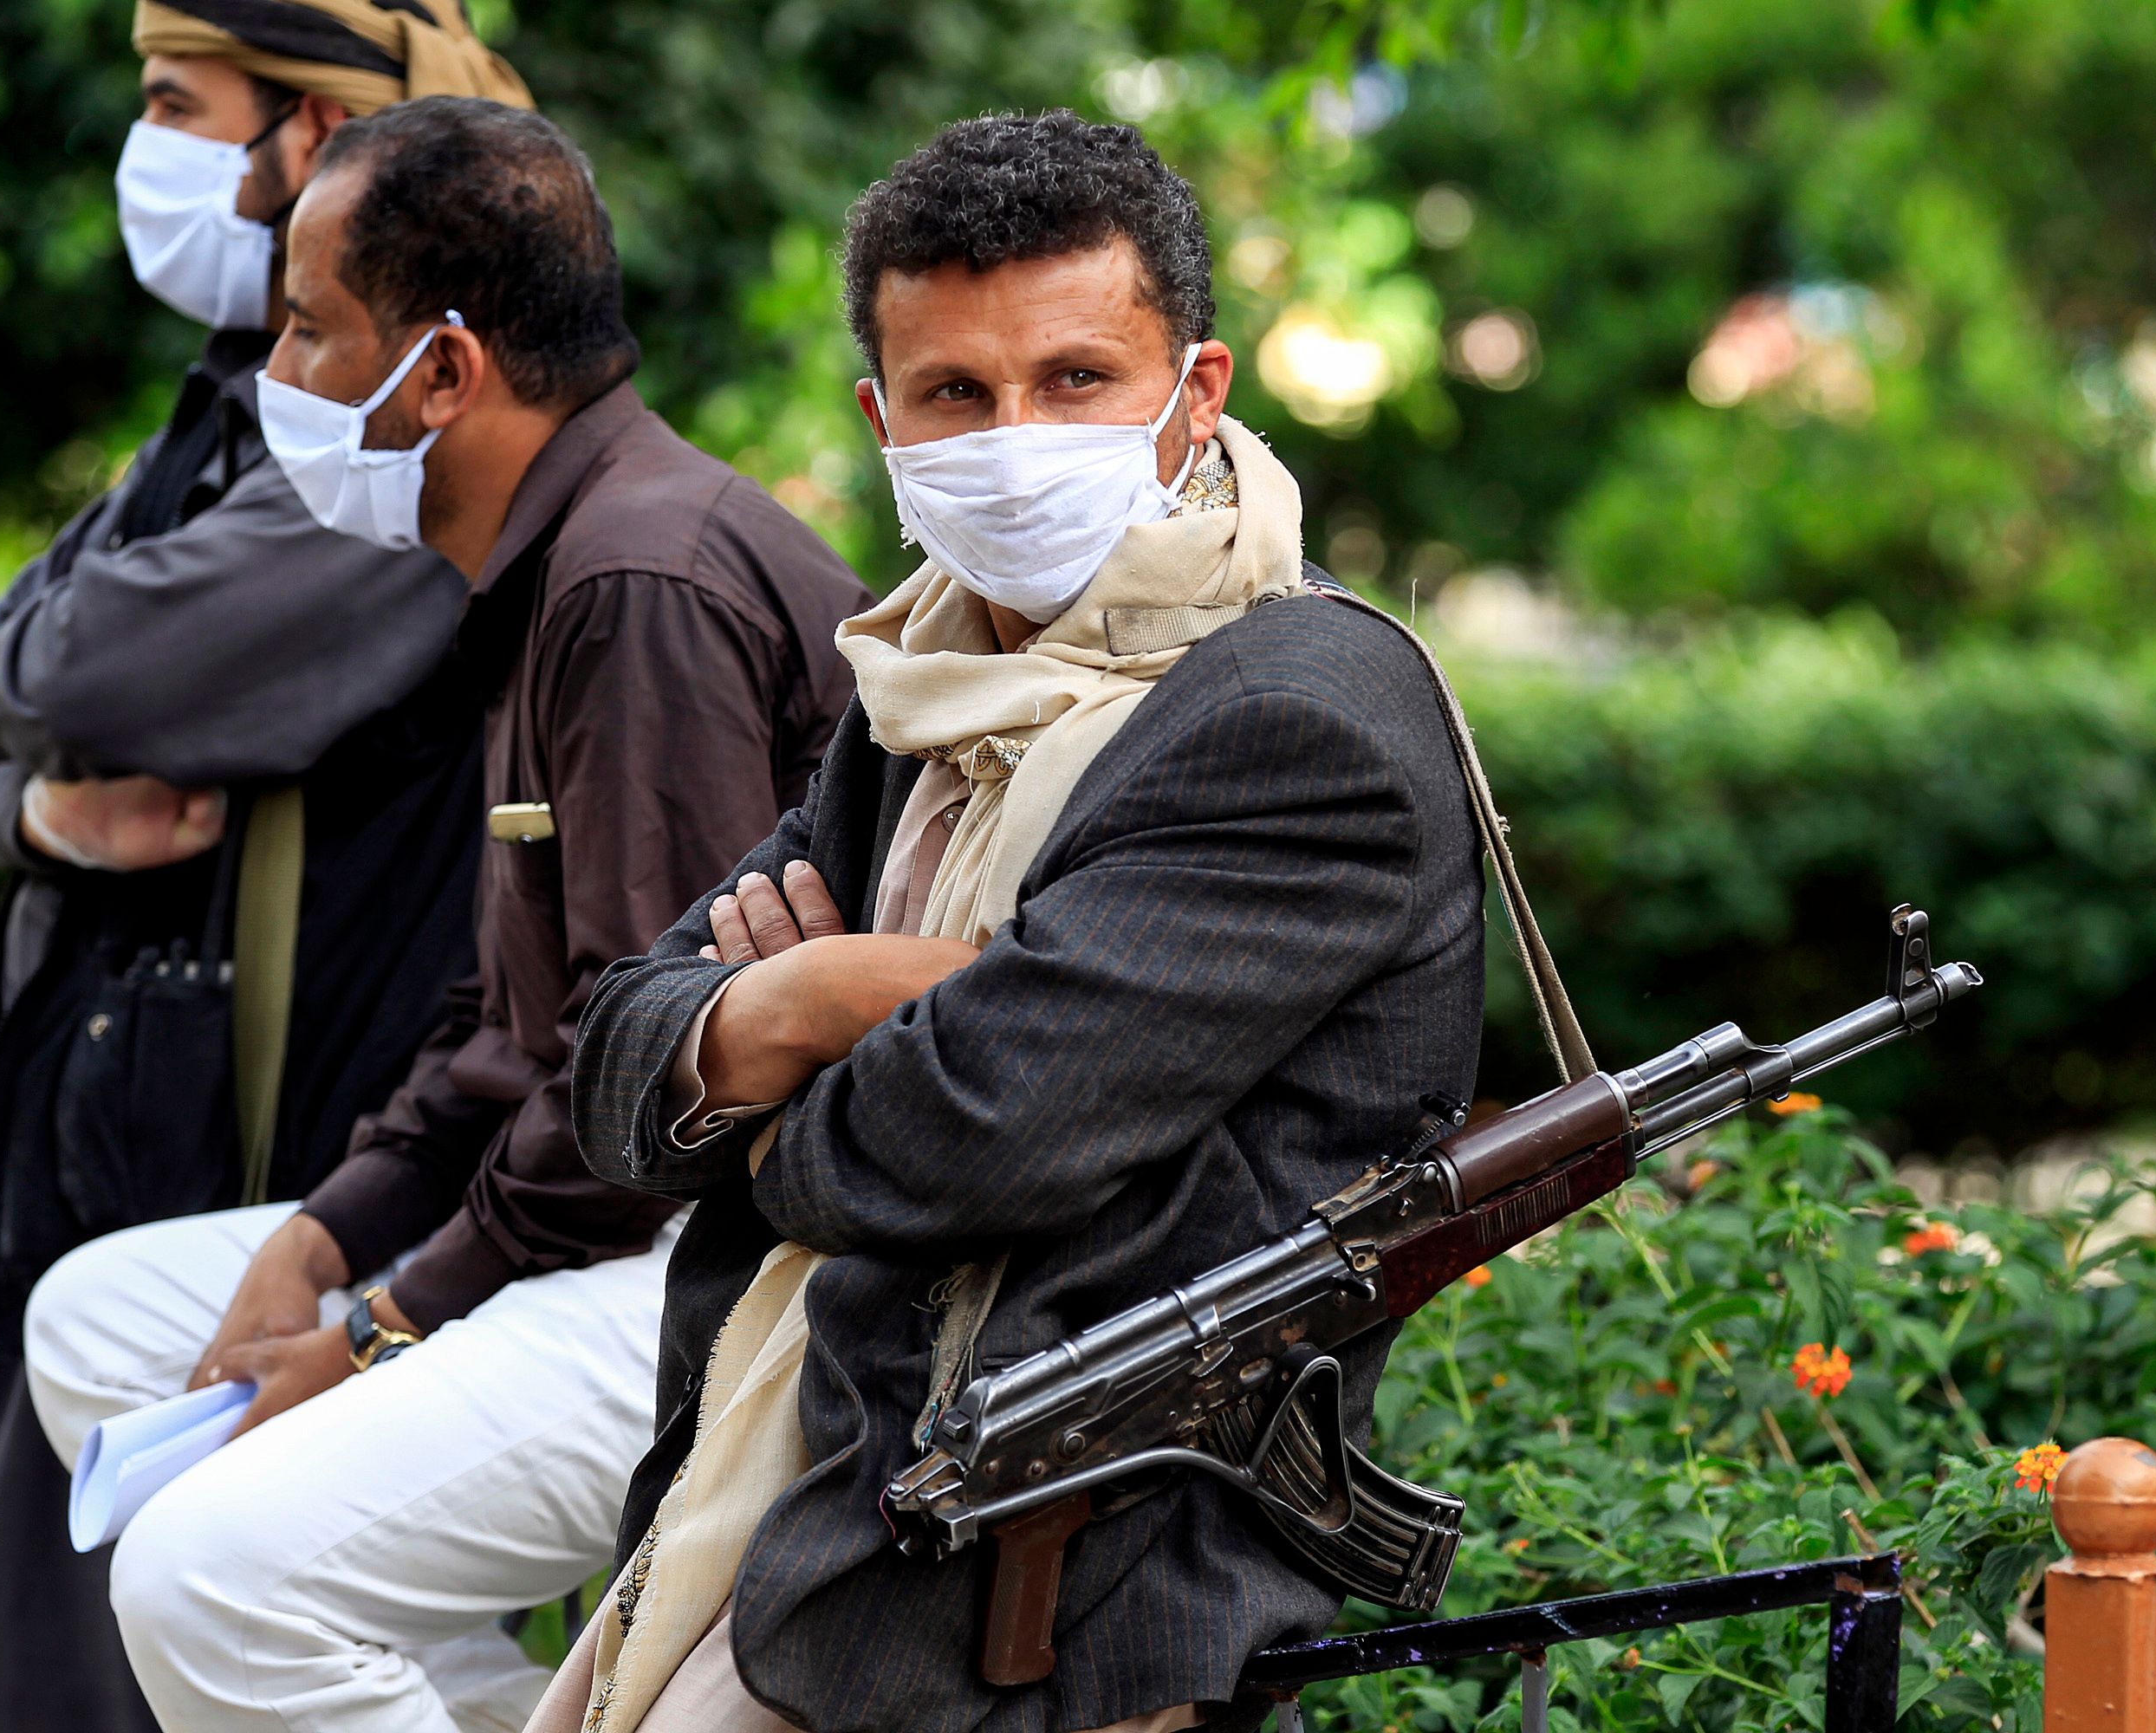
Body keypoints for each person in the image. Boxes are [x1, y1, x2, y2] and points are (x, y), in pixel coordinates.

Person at [545, 110, 1503, 1733]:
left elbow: (957, 1134)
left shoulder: (1299, 715)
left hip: (1060, 1592)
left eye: (1074, 381)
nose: (1014, 434)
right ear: (884, 418)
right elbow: (619, 1064)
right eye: (955, 395)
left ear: (1193, 394)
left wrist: (784, 1097)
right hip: (836, 1488)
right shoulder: (925, 680)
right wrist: (809, 999)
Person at [22, 96, 873, 1733]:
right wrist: (325, 1234)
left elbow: (657, 1099)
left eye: (310, 329)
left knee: (204, 1579)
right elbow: (509, 1032)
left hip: (740, 1275)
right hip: (610, 1223)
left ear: (445, 373)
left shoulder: (638, 586)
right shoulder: (551, 564)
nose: (275, 376)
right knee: (102, 1328)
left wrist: (389, 1320)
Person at [0, 8, 527, 1730]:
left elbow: (79, 672)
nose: (190, 168)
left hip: (265, 1184)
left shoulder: (392, 449)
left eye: (189, 109)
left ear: (313, 136)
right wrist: (39, 809)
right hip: (96, 1167)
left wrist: (36, 711)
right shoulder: (240, 410)